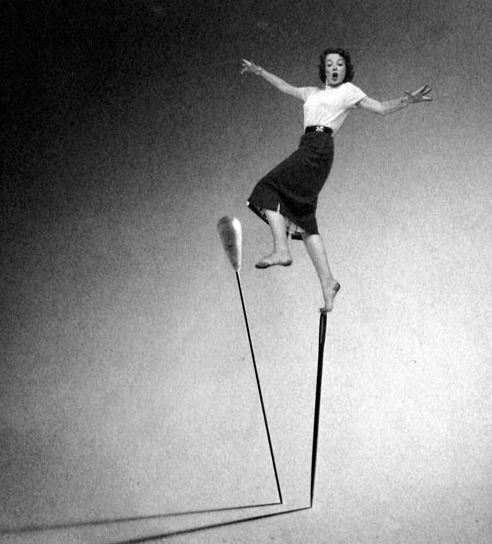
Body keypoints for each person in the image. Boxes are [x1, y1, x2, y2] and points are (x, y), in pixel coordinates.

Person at [241, 48, 431, 312]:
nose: (334, 68)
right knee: (305, 218)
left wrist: (407, 101)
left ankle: (281, 249)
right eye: (330, 63)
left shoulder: (348, 91)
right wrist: (260, 72)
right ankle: (328, 283)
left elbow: (380, 108)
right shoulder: (312, 93)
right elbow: (284, 87)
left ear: (345, 69)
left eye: (340, 64)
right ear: (324, 69)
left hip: (318, 147)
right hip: (309, 145)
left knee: (267, 187)